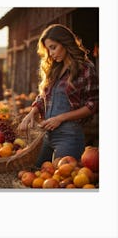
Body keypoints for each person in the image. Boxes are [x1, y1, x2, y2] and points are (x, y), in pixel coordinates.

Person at [18, 24, 99, 168]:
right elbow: (44, 96)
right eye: (48, 49)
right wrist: (31, 113)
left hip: (69, 137)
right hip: (47, 135)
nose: (51, 53)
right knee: (35, 172)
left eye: (53, 47)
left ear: (65, 43)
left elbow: (93, 105)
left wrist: (60, 118)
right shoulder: (55, 69)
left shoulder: (85, 69)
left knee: (60, 180)